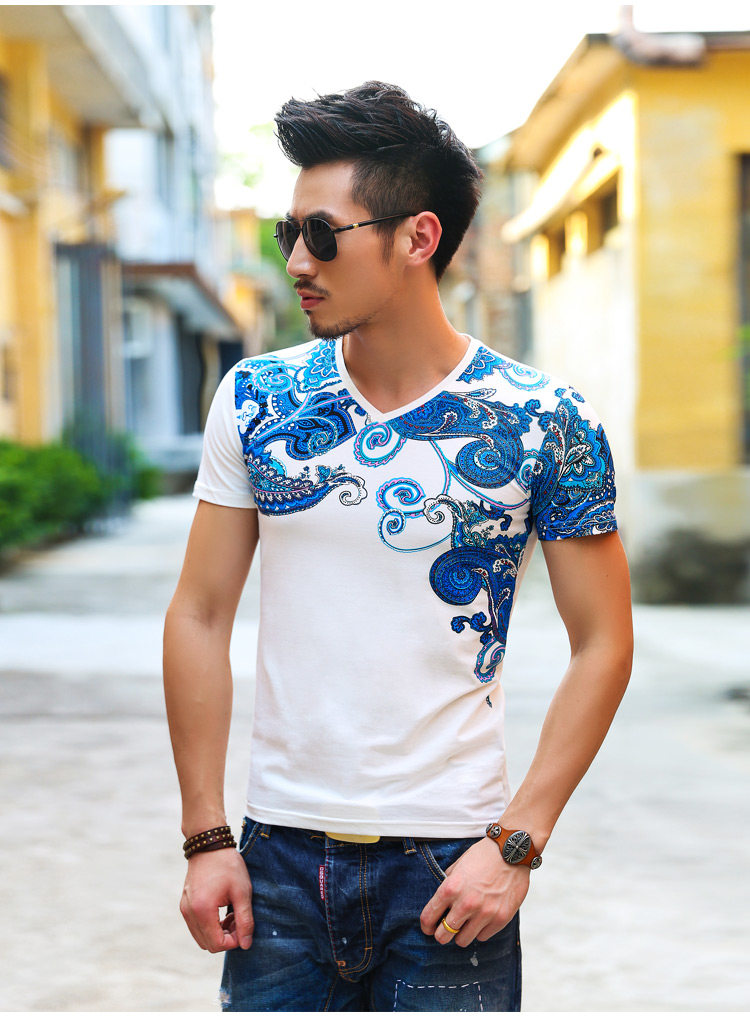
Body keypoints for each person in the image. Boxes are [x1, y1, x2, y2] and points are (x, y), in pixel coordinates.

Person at [163, 81, 633, 1012]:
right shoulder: (257, 400)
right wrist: (206, 836)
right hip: (278, 855)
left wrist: (518, 843)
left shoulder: (545, 420)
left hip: (453, 864)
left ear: (418, 238)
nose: (298, 260)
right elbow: (199, 613)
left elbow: (604, 642)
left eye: (322, 234)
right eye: (288, 232)